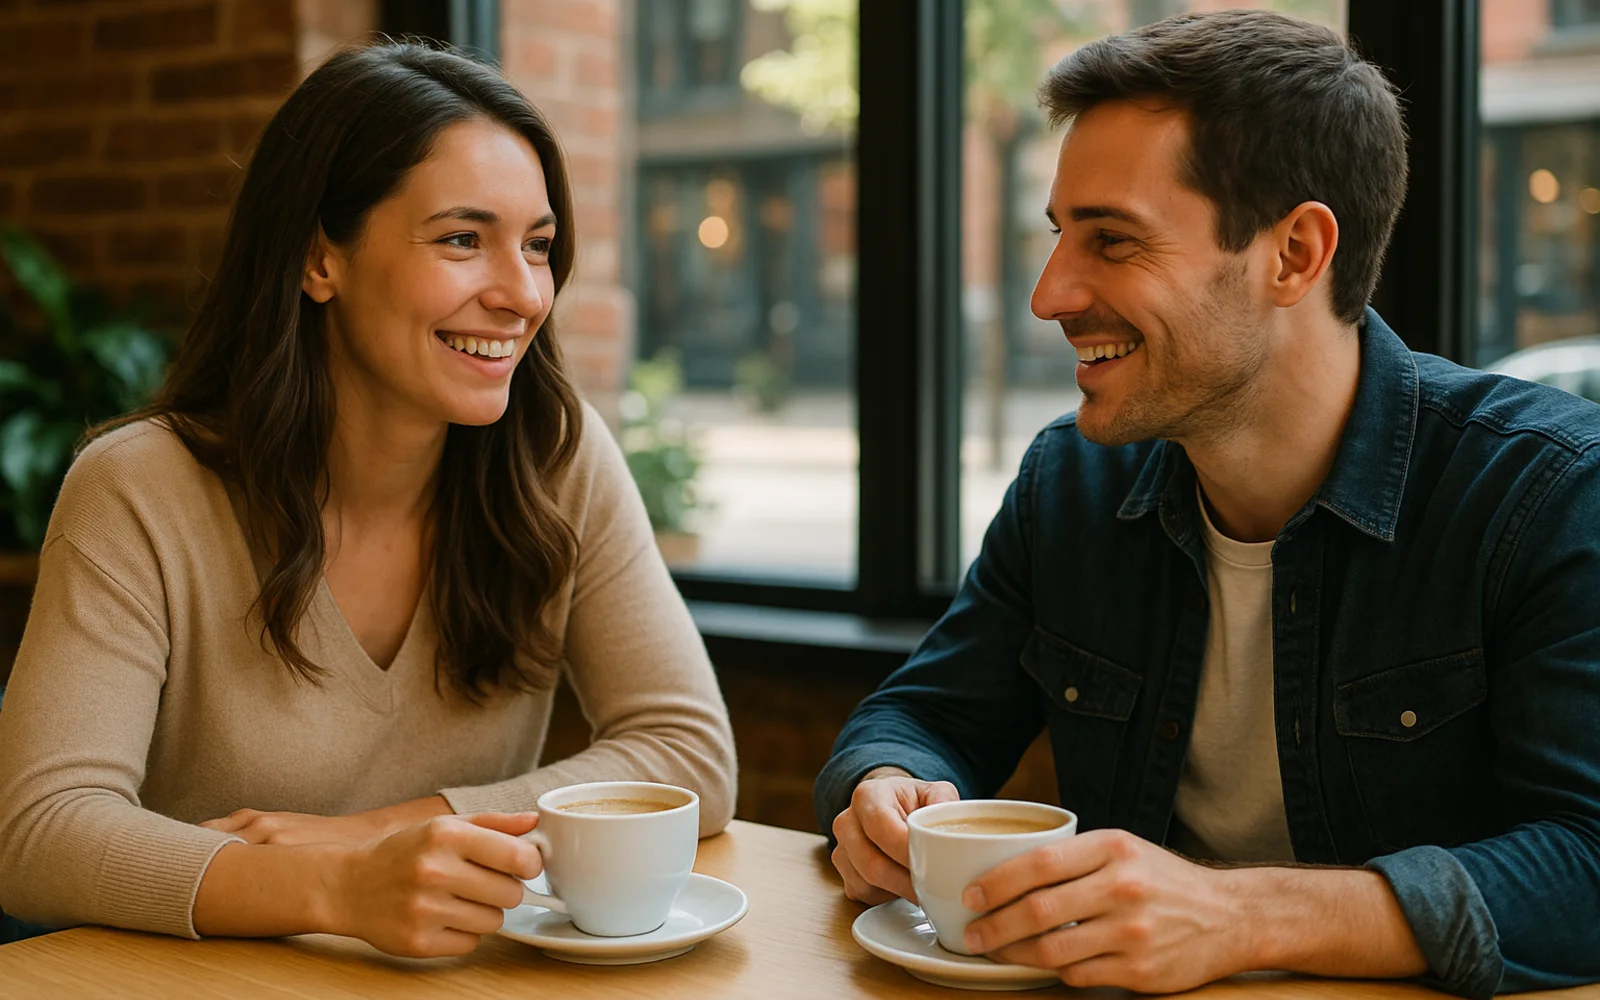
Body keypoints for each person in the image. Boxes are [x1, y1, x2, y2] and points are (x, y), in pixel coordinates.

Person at [816, 10, 1600, 998]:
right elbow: (922, 713)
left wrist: (1237, 916)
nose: (1049, 294)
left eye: (1111, 240)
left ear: (1294, 253)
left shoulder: (1545, 490)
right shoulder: (1073, 483)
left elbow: (1587, 863)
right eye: (1059, 234)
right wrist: (886, 791)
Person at [0, 42, 737, 957]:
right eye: (463, 239)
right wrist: (333, 886)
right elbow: (39, 832)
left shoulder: (558, 457)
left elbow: (689, 756)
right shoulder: (139, 489)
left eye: (538, 246)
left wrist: (380, 834)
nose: (521, 294)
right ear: (320, 260)